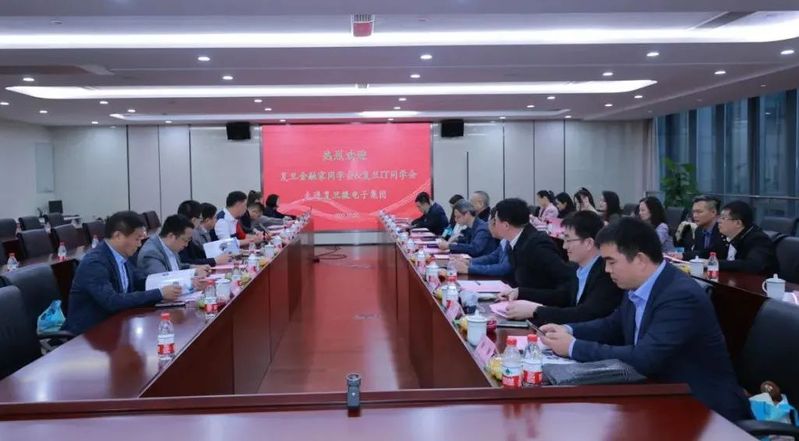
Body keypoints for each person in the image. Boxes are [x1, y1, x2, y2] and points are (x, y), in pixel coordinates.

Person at [538, 218, 751, 422]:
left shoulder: (680, 295)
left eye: (611, 262)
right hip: (660, 392)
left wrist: (573, 347)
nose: (607, 270)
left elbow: (644, 357)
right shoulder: (637, 285)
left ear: (640, 260)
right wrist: (568, 330)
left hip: (702, 409)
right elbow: (612, 325)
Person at [63, 211, 183, 335]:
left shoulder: (122, 256)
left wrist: (178, 283)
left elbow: (141, 281)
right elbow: (112, 301)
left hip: (117, 325)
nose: (139, 244)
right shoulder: (95, 263)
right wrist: (160, 293)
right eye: (137, 239)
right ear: (118, 236)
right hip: (89, 334)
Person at [506, 211, 623, 325]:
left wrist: (537, 310)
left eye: (568, 240)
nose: (564, 246)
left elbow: (585, 314)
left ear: (588, 243)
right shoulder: (576, 267)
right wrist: (520, 292)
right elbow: (562, 296)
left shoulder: (606, 273)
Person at [493, 198, 574, 303]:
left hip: (543, 307)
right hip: (524, 303)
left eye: (495, 221)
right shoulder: (514, 241)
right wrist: (512, 292)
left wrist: (522, 293)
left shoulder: (538, 245)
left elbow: (565, 287)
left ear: (506, 225)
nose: (494, 224)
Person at [137, 214, 209, 278]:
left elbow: (176, 268)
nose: (186, 245)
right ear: (171, 236)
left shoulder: (170, 245)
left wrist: (196, 268)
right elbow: (164, 280)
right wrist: (192, 274)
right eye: (185, 240)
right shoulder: (151, 253)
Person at [718, 200, 778, 275]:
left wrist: (715, 263)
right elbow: (711, 252)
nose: (719, 221)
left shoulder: (759, 239)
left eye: (723, 218)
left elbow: (752, 265)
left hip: (757, 281)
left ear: (738, 223)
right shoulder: (725, 235)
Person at [452, 207, 512, 278]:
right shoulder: (504, 241)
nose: (488, 226)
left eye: (489, 223)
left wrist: (469, 269)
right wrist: (469, 261)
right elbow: (492, 257)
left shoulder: (482, 228)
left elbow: (503, 268)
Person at [669, 195, 727, 261]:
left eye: (699, 212)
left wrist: (684, 255)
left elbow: (710, 253)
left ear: (713, 212)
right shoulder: (698, 231)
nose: (695, 215)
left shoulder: (724, 231)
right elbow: (697, 255)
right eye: (693, 212)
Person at [177, 200, 230, 267]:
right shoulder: (181, 236)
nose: (201, 221)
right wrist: (214, 260)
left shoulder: (187, 234)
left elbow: (200, 254)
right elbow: (186, 261)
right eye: (200, 218)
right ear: (193, 220)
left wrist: (220, 256)